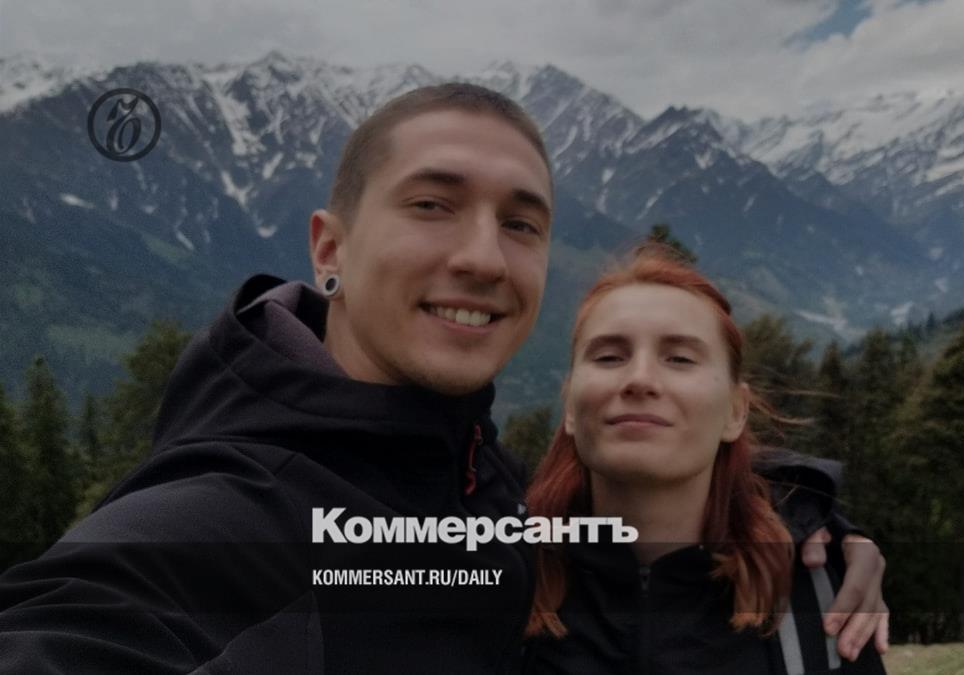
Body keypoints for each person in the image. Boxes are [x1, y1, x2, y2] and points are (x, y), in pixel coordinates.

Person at [0, 84, 886, 673]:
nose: (483, 258)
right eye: (432, 205)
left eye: (521, 224)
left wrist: (808, 521)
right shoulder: (232, 516)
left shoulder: (487, 495)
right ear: (329, 248)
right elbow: (84, 620)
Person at [520, 249, 887, 674]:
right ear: (569, 406)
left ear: (736, 411)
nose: (640, 379)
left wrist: (817, 518)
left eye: (680, 358)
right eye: (609, 357)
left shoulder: (818, 597)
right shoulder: (501, 581)